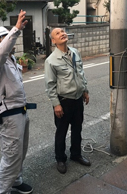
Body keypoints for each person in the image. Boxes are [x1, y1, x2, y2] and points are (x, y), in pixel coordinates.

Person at [0, 10, 33, 194]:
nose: (9, 40)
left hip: (21, 111)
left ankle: (16, 181)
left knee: (21, 151)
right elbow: (2, 51)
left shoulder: (11, 60)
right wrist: (16, 29)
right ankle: (0, 191)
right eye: (5, 38)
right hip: (9, 116)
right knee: (11, 154)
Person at [44, 27, 91, 174]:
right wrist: (56, 104)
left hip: (77, 99)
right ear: (53, 41)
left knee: (77, 129)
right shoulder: (51, 61)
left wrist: (85, 90)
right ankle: (60, 159)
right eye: (58, 33)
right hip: (64, 101)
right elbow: (50, 85)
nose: (62, 34)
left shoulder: (75, 52)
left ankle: (76, 154)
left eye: (63, 31)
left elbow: (81, 73)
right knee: (61, 131)